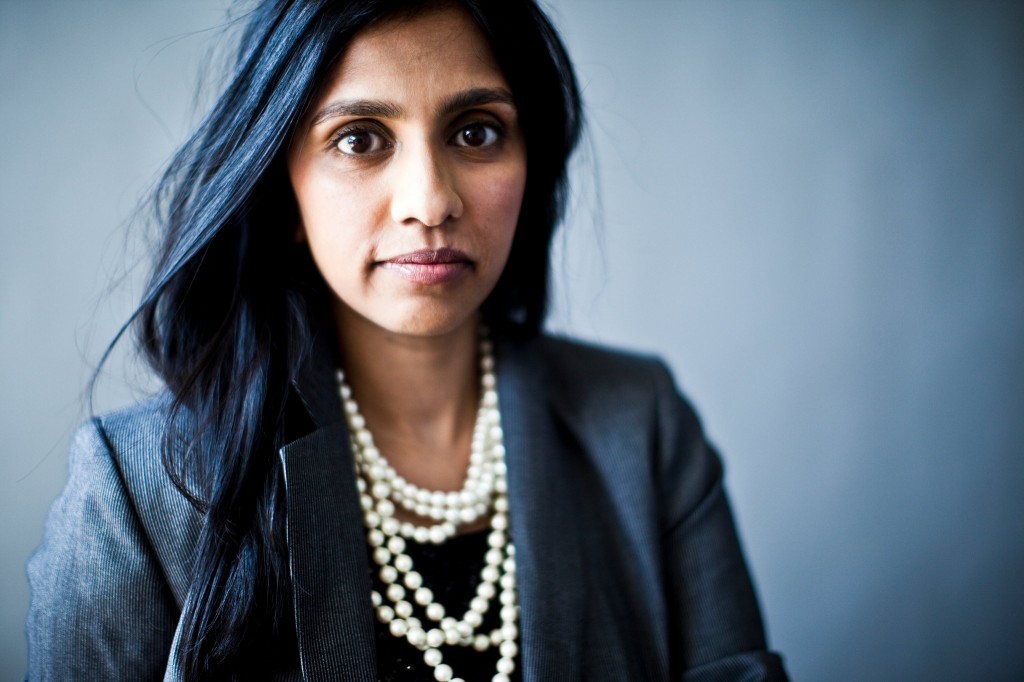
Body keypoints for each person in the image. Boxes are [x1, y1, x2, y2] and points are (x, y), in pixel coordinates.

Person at [25, 0, 788, 680]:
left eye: (477, 131)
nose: (431, 200)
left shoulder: (640, 424)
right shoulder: (135, 489)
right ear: (281, 188)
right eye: (360, 139)